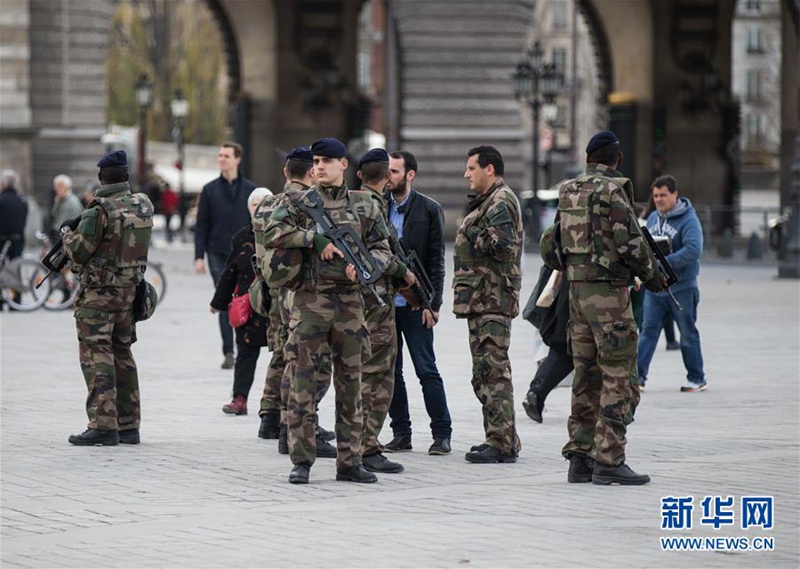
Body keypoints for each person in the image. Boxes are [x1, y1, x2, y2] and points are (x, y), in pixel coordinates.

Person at [264, 137, 393, 485]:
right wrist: (313, 240)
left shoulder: (365, 205)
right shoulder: (301, 202)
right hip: (310, 302)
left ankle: (349, 461)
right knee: (302, 383)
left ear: (344, 166)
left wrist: (365, 268)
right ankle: (301, 460)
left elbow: (384, 249)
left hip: (351, 304)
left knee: (352, 385)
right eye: (316, 161)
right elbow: (272, 231)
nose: (319, 166)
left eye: (327, 161)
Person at [540, 130, 665, 485]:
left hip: (577, 297)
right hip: (610, 297)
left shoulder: (568, 191)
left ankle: (579, 458)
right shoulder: (613, 191)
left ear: (587, 158)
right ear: (618, 158)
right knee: (618, 377)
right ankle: (609, 459)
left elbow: (552, 246)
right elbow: (631, 245)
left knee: (586, 376)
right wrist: (653, 278)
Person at [62, 150, 154, 446]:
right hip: (129, 294)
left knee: (96, 354)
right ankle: (129, 425)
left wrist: (66, 235)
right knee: (123, 353)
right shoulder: (143, 205)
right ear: (126, 176)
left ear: (101, 177)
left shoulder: (98, 211)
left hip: (99, 298)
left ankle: (103, 424)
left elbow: (79, 251)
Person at [253, 146, 334, 458]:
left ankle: (278, 421)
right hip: (304, 293)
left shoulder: (266, 205)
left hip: (273, 291)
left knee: (284, 357)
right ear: (311, 173)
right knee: (310, 365)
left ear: (286, 172)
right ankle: (297, 427)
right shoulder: (310, 204)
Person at [453, 146, 523, 464]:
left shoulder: (500, 201)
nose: (467, 174)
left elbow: (501, 246)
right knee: (485, 372)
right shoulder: (489, 201)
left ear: (489, 169)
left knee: (492, 371)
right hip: (484, 300)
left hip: (493, 299)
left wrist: (470, 230)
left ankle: (501, 442)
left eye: (472, 168)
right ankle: (502, 436)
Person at [383, 150, 453, 455]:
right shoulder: (376, 207)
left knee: (426, 369)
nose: (389, 177)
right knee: (391, 372)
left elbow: (437, 261)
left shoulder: (428, 210)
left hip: (416, 303)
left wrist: (433, 305)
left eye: (395, 172)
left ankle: (442, 434)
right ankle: (401, 433)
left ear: (410, 175)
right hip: (384, 305)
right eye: (387, 171)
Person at [355, 148, 416, 474]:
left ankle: (353, 444)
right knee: (379, 375)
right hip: (378, 302)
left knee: (357, 373)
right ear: (385, 177)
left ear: (361, 175)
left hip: (354, 301)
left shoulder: (348, 203)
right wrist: (404, 272)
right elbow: (383, 254)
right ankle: (368, 447)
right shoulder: (375, 207)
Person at [637, 174, 706, 392]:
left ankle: (696, 378)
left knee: (687, 333)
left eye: (663, 195)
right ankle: (637, 379)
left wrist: (666, 263)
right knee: (647, 332)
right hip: (655, 288)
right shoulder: (654, 218)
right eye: (656, 195)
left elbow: (694, 250)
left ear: (675, 194)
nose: (658, 199)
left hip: (682, 287)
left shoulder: (688, 219)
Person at [210, 187, 273, 415]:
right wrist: (218, 302)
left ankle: (275, 406)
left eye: (263, 203)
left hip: (276, 306)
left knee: (283, 355)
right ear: (248, 208)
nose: (258, 208)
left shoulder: (281, 234)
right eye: (254, 204)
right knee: (246, 352)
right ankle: (240, 399)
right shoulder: (241, 238)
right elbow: (230, 272)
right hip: (249, 305)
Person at [195, 142, 257, 369]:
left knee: (242, 297)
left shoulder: (250, 189)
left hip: (244, 252)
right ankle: (229, 351)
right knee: (225, 297)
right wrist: (198, 256)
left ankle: (243, 345)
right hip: (217, 251)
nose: (222, 159)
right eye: (219, 155)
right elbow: (202, 225)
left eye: (226, 155)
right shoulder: (209, 189)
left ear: (237, 159)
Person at [521, 266, 573, 423]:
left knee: (563, 348)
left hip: (569, 287)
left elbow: (549, 250)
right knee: (600, 355)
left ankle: (537, 391)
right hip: (603, 296)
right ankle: (615, 408)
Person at [0, 169, 28, 260]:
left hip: (2, 239)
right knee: (15, 268)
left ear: (3, 183)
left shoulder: (1, 199)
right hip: (18, 239)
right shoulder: (22, 200)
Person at [49, 175, 84, 243]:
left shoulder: (72, 201)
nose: (57, 189)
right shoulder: (59, 199)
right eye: (56, 186)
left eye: (60, 186)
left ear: (67, 187)